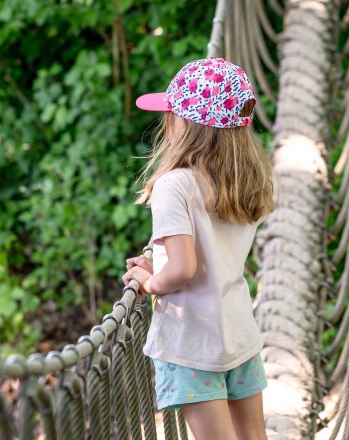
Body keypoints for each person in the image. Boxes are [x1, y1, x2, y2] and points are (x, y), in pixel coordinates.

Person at [122, 57, 274, 440]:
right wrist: (159, 261)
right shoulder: (247, 181)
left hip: (193, 344)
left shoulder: (174, 185)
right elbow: (213, 251)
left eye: (170, 112)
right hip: (238, 332)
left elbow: (185, 268)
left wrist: (150, 281)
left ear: (184, 123)